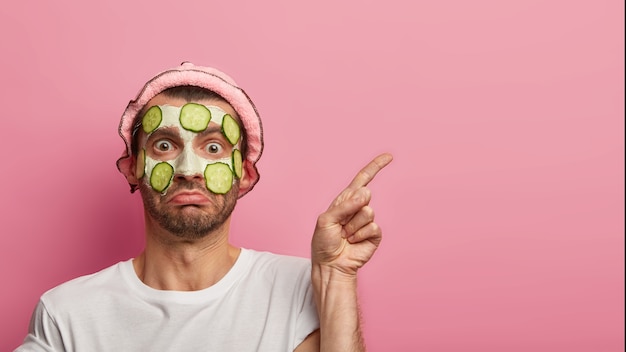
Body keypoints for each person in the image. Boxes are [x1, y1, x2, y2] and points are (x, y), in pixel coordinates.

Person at [16, 62, 392, 352]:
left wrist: (337, 278)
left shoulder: (302, 287)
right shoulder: (67, 314)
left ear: (244, 173)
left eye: (213, 148)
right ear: (132, 168)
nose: (188, 171)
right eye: (164, 146)